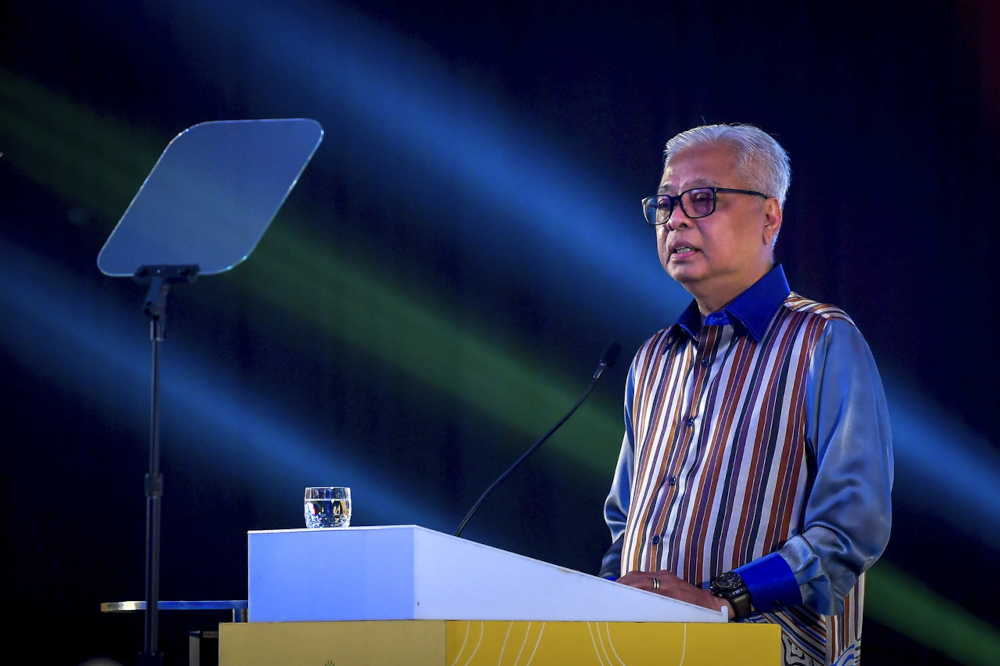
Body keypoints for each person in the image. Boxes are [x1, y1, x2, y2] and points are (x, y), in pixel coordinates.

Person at [599, 124, 893, 666]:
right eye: (666, 203)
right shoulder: (652, 361)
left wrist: (724, 599)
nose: (677, 218)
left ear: (770, 217)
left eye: (702, 199)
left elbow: (853, 526)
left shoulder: (823, 340)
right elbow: (625, 526)